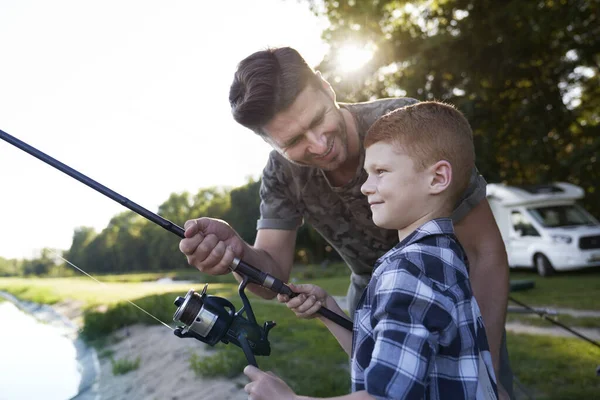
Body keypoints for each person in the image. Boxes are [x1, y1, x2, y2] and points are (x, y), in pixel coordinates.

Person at [178, 47, 513, 398]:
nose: (318, 145)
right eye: (293, 141)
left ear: (326, 87)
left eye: (317, 119)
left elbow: (483, 249)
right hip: (370, 294)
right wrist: (236, 252)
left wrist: (483, 365)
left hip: (446, 288)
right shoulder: (280, 174)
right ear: (270, 143)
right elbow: (271, 276)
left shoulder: (406, 126)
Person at [243, 101, 498, 400]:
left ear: (438, 178)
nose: (365, 187)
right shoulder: (444, 258)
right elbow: (388, 359)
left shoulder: (409, 272)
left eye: (380, 171)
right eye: (367, 173)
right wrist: (328, 310)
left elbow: (384, 396)